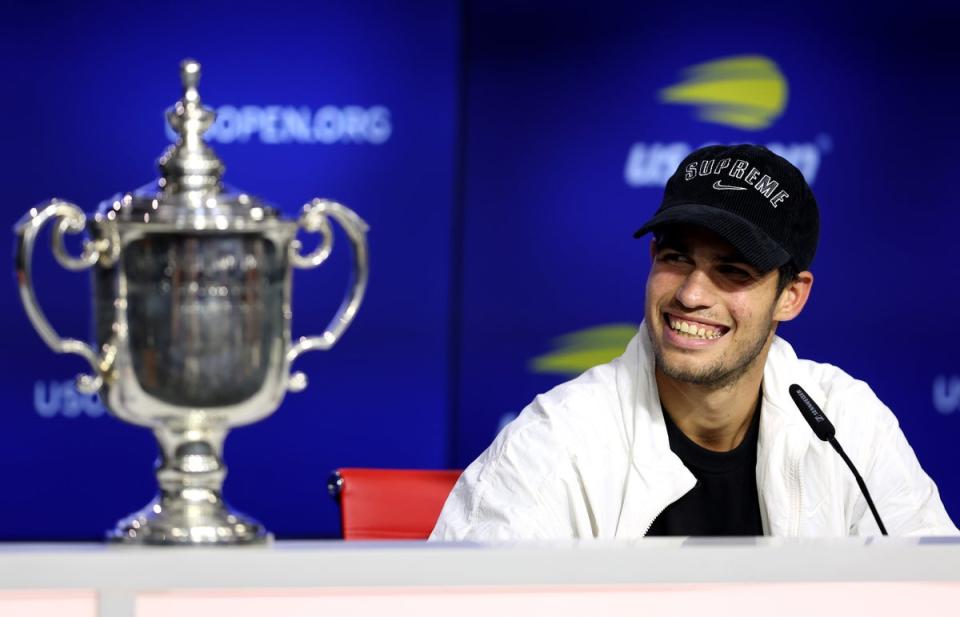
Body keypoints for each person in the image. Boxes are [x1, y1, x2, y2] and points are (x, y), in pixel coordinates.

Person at [430, 144, 958, 540]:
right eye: (676, 258)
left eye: (733, 270)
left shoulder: (848, 426)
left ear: (790, 297)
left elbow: (933, 588)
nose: (690, 294)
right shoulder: (552, 446)